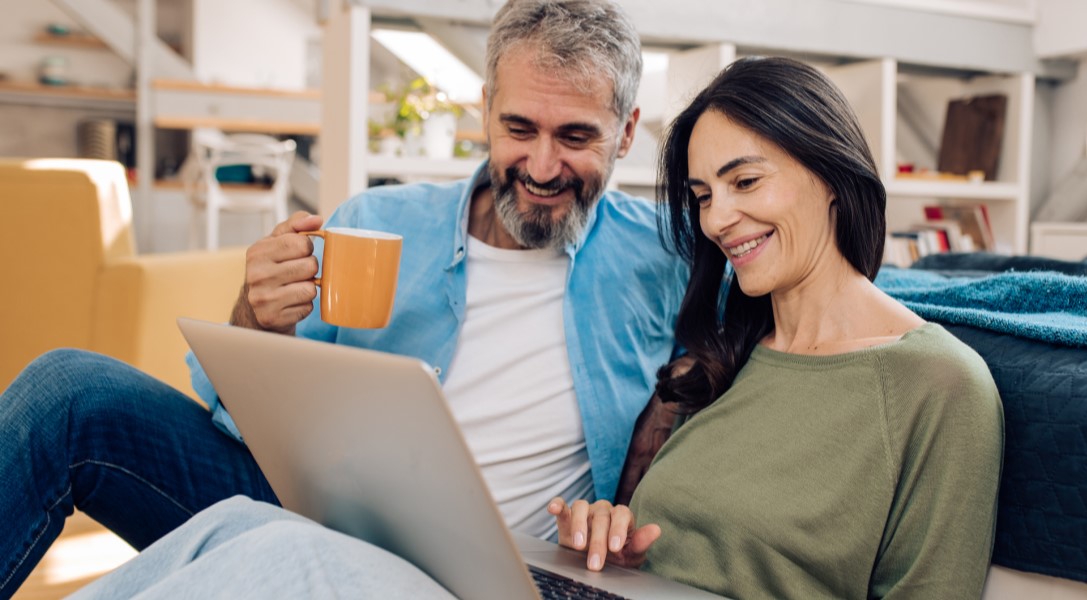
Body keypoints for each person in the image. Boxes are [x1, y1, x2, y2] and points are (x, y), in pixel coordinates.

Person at [71, 56, 1004, 599]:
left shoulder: (936, 387)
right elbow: (675, 527)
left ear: (833, 171)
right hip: (562, 585)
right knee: (235, 524)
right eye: (703, 195)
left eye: (746, 183)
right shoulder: (729, 346)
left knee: (283, 555)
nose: (718, 221)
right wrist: (610, 524)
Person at [0, 0, 688, 596]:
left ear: (626, 133)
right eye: (518, 129)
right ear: (484, 109)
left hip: (478, 570)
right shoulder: (381, 222)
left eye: (575, 137)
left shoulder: (666, 261)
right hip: (305, 506)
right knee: (68, 389)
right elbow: (237, 421)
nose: (541, 167)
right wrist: (257, 321)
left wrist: (623, 510)